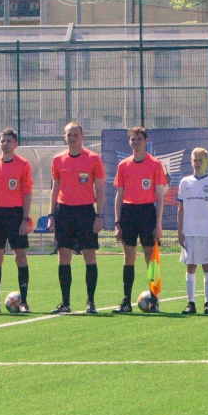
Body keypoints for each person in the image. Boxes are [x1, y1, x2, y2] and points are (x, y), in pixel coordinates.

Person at [49, 121, 105, 314]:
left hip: (85, 212)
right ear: (64, 137)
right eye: (68, 135)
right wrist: (51, 214)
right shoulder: (58, 160)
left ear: (82, 136)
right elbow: (55, 188)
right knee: (63, 256)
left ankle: (91, 302)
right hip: (64, 212)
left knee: (89, 256)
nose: (72, 138)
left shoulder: (93, 159)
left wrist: (99, 215)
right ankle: (65, 302)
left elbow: (100, 188)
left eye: (75, 134)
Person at [112, 125, 167, 313]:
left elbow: (160, 196)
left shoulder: (155, 164)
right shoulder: (123, 165)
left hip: (147, 213)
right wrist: (117, 223)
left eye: (139, 139)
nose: (135, 142)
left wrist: (158, 224)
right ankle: (126, 301)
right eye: (132, 139)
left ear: (146, 141)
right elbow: (119, 195)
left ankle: (154, 301)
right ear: (129, 142)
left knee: (150, 258)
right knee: (128, 257)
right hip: (129, 213)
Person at [0, 127, 33, 313]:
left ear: (15, 144)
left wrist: (25, 218)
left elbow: (27, 192)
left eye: (8, 141)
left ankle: (24, 302)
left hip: (16, 214)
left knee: (20, 256)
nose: (5, 144)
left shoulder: (23, 164)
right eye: (2, 141)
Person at [177, 147, 208, 315]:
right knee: (190, 266)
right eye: (194, 160)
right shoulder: (185, 182)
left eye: (200, 160)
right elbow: (180, 208)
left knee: (207, 266)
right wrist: (180, 230)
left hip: (206, 232)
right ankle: (191, 303)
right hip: (189, 231)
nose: (197, 163)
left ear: (207, 162)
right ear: (191, 162)